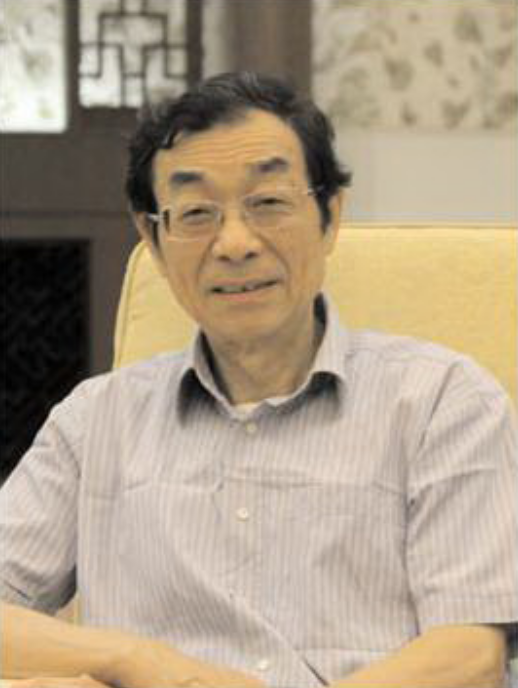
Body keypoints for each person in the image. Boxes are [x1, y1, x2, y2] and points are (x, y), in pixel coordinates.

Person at [0, 72, 516, 688]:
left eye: (268, 203)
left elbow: (470, 653)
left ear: (330, 217)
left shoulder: (443, 402)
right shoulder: (94, 421)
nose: (235, 243)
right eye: (196, 213)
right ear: (154, 240)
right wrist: (137, 660)